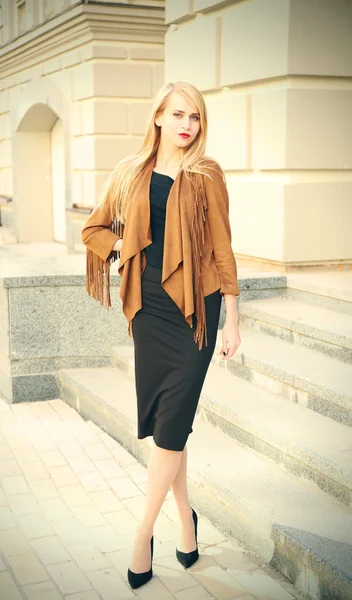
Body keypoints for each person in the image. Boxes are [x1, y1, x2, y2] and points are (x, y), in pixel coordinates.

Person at [81, 81, 241, 590]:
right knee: (172, 424)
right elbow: (92, 229)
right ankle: (187, 521)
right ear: (157, 118)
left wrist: (232, 318)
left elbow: (222, 248)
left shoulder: (207, 175)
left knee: (172, 425)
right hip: (148, 312)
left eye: (194, 117)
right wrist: (121, 245)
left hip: (196, 314)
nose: (186, 125)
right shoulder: (130, 172)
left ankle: (142, 534)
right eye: (177, 114)